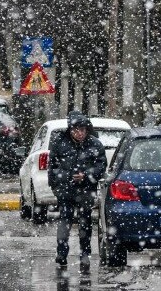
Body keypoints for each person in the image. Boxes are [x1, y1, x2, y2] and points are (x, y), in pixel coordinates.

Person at [48, 111, 107, 270]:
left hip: (86, 191)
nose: (79, 133)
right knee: (64, 221)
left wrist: (86, 176)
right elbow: (53, 168)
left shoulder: (95, 144)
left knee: (85, 223)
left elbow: (101, 166)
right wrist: (62, 181)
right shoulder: (60, 142)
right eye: (75, 130)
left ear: (87, 130)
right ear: (70, 130)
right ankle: (61, 253)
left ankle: (85, 254)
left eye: (82, 130)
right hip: (65, 190)